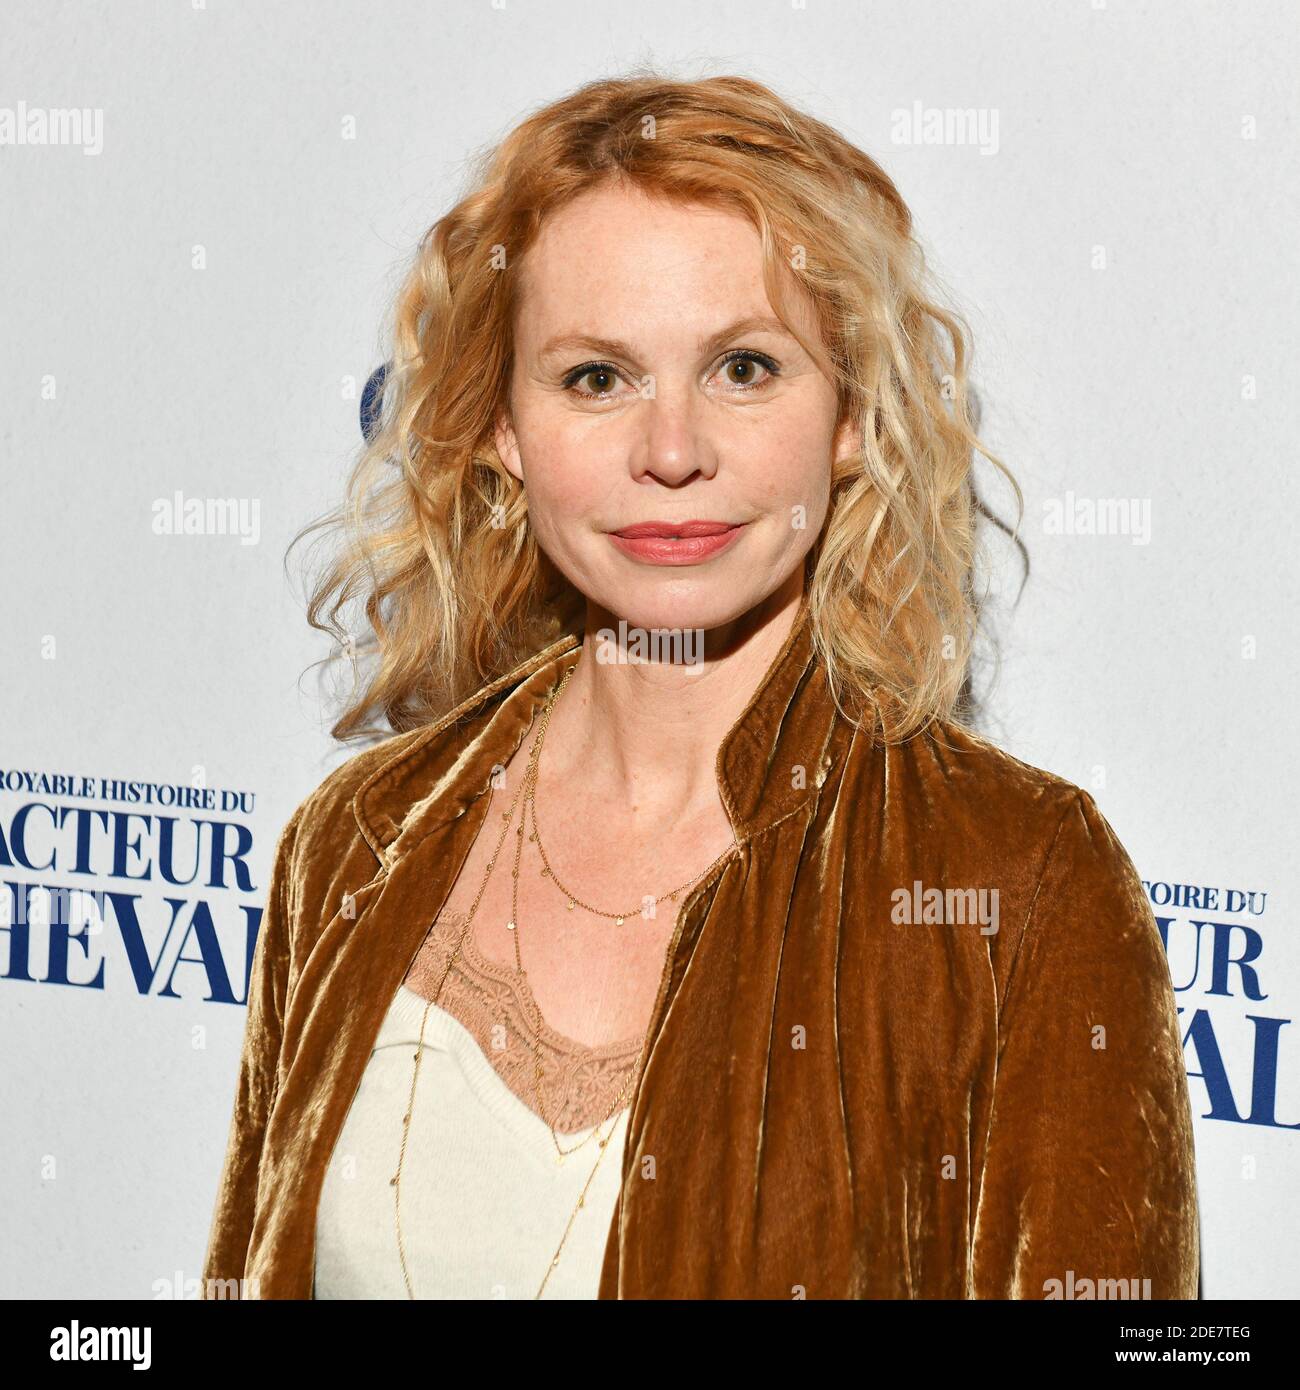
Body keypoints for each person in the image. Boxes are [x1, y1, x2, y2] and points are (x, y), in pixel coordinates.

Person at [201, 72, 1199, 1300]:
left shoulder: (1017, 879)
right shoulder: (355, 844)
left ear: (849, 416)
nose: (670, 451)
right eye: (594, 378)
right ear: (502, 429)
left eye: (741, 367)